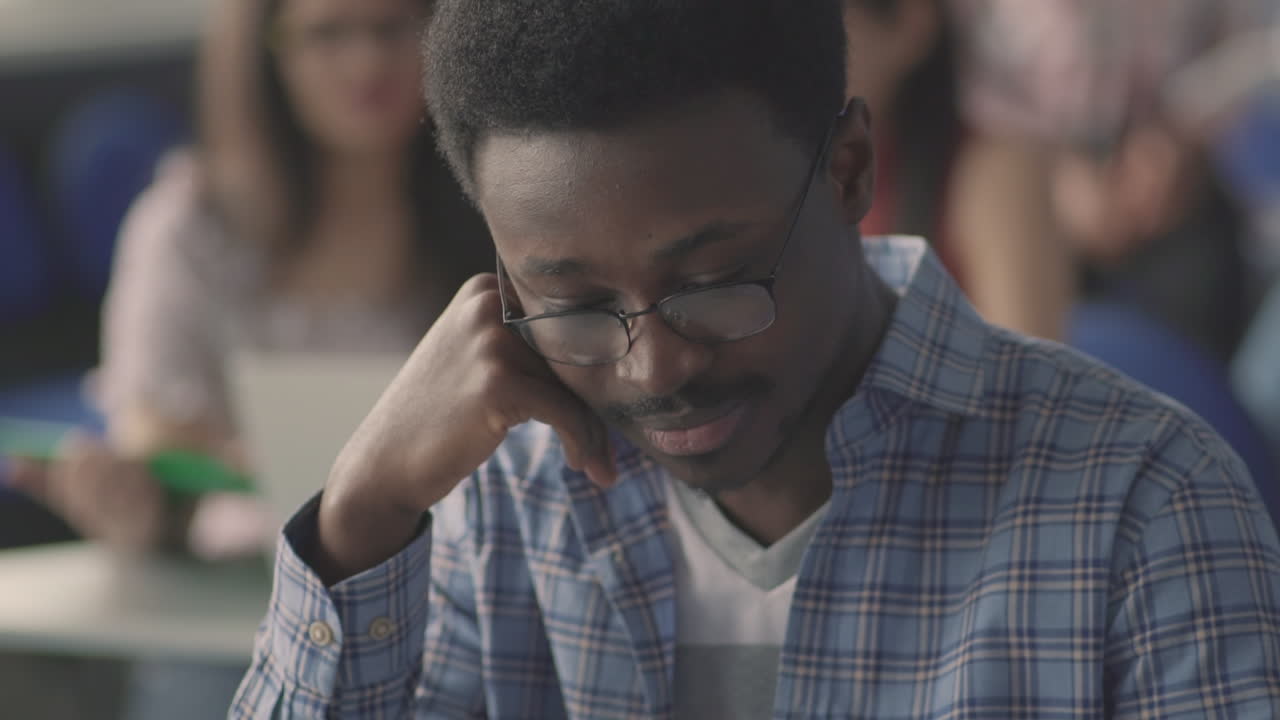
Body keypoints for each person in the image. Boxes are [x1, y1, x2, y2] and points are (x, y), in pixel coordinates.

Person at [232, 0, 1280, 717]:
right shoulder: (504, 495)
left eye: (711, 283)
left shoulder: (1144, 505)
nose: (653, 371)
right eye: (573, 302)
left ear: (846, 171)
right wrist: (358, 516)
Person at [3, 0, 489, 718]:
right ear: (269, 53)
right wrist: (135, 507)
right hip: (245, 602)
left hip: (464, 595)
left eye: (395, 27)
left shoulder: (496, 213)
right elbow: (160, 462)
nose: (367, 62)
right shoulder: (189, 228)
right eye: (328, 34)